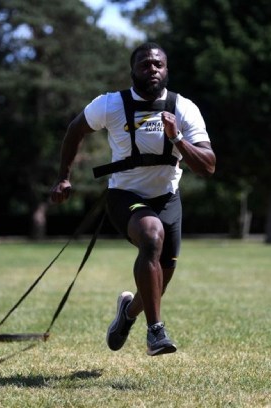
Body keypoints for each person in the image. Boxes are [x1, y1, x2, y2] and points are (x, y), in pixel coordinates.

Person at [50, 42, 216, 356]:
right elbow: (74, 130)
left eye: (158, 65)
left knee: (158, 284)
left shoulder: (184, 108)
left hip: (167, 200)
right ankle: (156, 332)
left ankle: (127, 314)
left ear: (166, 70)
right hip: (125, 196)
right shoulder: (110, 104)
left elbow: (208, 165)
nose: (152, 70)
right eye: (144, 64)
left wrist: (177, 138)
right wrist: (64, 176)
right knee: (152, 236)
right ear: (133, 70)